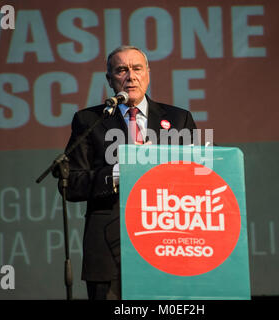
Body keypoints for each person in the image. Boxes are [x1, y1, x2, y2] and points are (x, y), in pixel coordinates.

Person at [62, 45, 197, 300]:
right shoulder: (90, 121)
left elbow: (197, 182)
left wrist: (160, 166)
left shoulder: (180, 120)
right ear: (110, 79)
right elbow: (72, 183)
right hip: (109, 251)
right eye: (121, 69)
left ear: (148, 73)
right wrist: (120, 171)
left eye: (137, 68)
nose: (130, 76)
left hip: (168, 246)